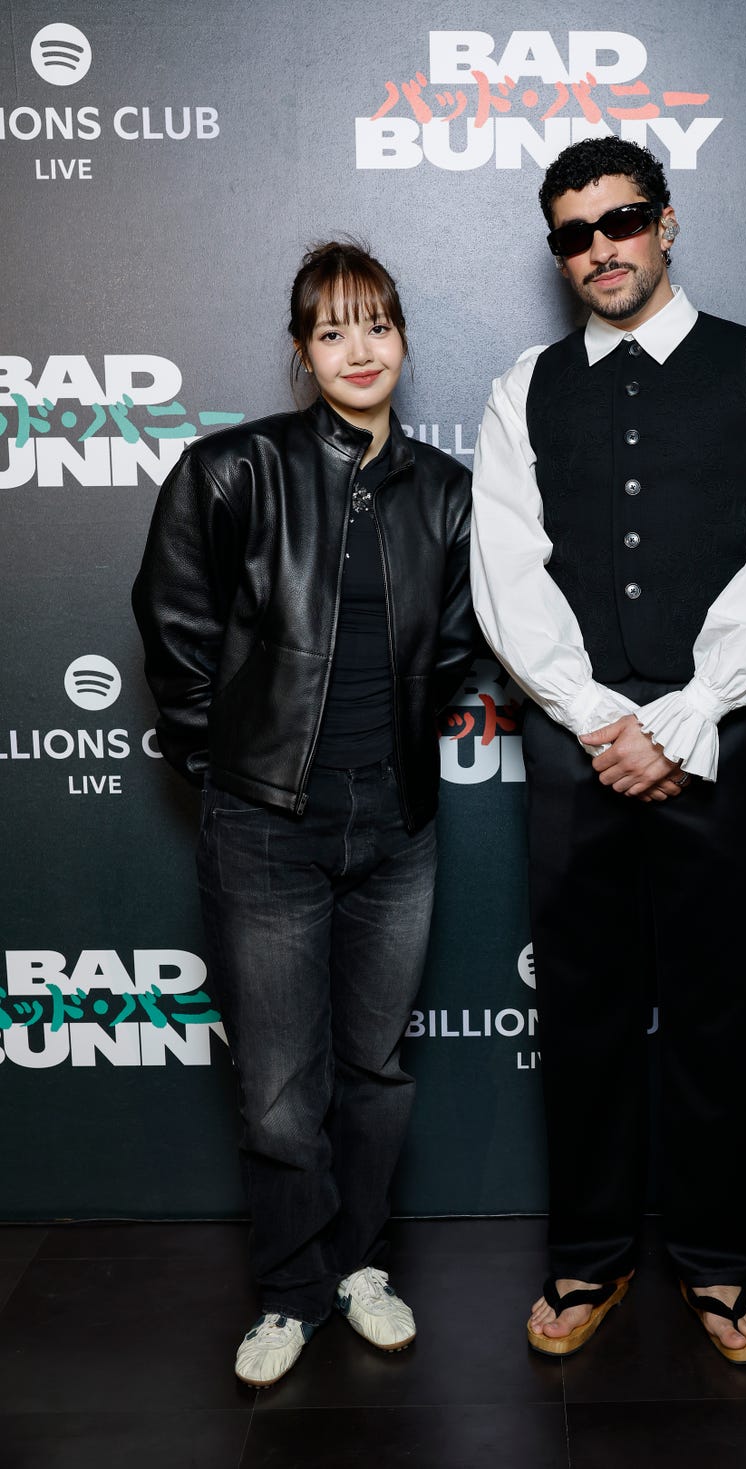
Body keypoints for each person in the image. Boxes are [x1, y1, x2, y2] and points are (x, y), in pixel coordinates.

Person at [470, 138, 746, 1363]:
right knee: (580, 1011)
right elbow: (508, 573)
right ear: (557, 252)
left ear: (664, 223)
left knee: (715, 1011)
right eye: (572, 234)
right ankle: (587, 1253)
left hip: (716, 736)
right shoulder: (522, 389)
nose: (599, 249)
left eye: (619, 220)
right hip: (576, 743)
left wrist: (682, 716)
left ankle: (716, 1262)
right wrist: (599, 719)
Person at [133, 242, 475, 1387]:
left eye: (376, 323)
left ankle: (357, 1265)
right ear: (301, 351)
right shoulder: (233, 471)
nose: (358, 349)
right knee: (281, 1088)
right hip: (267, 823)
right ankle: (289, 1288)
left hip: (397, 826)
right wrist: (230, 771)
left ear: (402, 337)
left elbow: (458, 646)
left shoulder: (444, 490)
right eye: (332, 330)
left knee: (374, 1071)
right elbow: (175, 632)